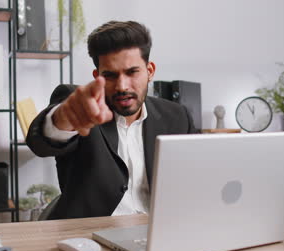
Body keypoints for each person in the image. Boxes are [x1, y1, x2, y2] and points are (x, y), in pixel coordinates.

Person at [27, 20, 197, 219]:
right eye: (110, 75)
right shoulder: (80, 105)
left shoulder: (177, 116)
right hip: (89, 235)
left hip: (157, 230)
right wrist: (61, 119)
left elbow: (196, 177)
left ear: (150, 71)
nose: (122, 86)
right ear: (96, 76)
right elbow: (40, 144)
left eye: (132, 72)